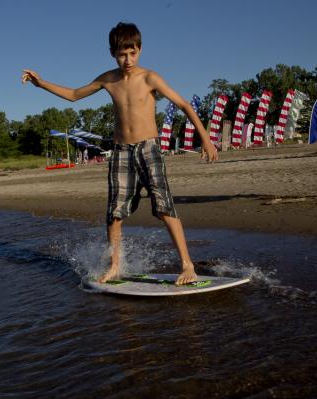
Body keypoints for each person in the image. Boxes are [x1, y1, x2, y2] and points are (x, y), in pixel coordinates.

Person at [22, 22, 218, 285]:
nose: (128, 59)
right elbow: (73, 95)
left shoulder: (150, 77)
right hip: (121, 152)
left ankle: (187, 265)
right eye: (122, 54)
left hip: (149, 149)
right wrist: (41, 83)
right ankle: (115, 266)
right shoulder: (108, 79)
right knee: (114, 212)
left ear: (140, 49)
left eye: (133, 53)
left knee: (164, 206)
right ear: (113, 53)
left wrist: (206, 139)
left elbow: (183, 104)